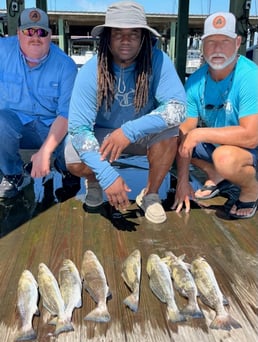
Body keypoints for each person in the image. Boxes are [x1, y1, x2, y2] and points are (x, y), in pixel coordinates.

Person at [65, 1, 186, 224]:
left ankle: (150, 194)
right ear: (107, 37)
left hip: (141, 133)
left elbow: (177, 109)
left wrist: (129, 130)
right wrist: (106, 174)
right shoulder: (92, 69)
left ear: (144, 38)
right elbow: (79, 129)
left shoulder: (158, 61)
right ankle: (94, 181)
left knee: (171, 132)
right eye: (118, 33)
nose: (126, 39)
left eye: (134, 33)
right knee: (73, 156)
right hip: (103, 136)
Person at [173, 12, 258, 219]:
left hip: (251, 150)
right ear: (202, 46)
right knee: (171, 138)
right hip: (220, 146)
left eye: (224, 41)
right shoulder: (195, 81)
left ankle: (250, 190)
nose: (217, 49)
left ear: (237, 42)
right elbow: (186, 132)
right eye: (211, 42)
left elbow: (251, 137)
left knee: (224, 157)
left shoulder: (250, 76)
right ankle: (216, 173)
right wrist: (182, 183)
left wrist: (200, 134)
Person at [0, 8, 81, 199]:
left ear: (50, 35)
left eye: (41, 32)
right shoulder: (3, 50)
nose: (35, 37)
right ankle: (13, 174)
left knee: (76, 141)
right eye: (29, 31)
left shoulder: (66, 65)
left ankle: (66, 169)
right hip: (15, 128)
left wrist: (45, 152)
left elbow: (66, 114)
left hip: (53, 128)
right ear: (18, 34)